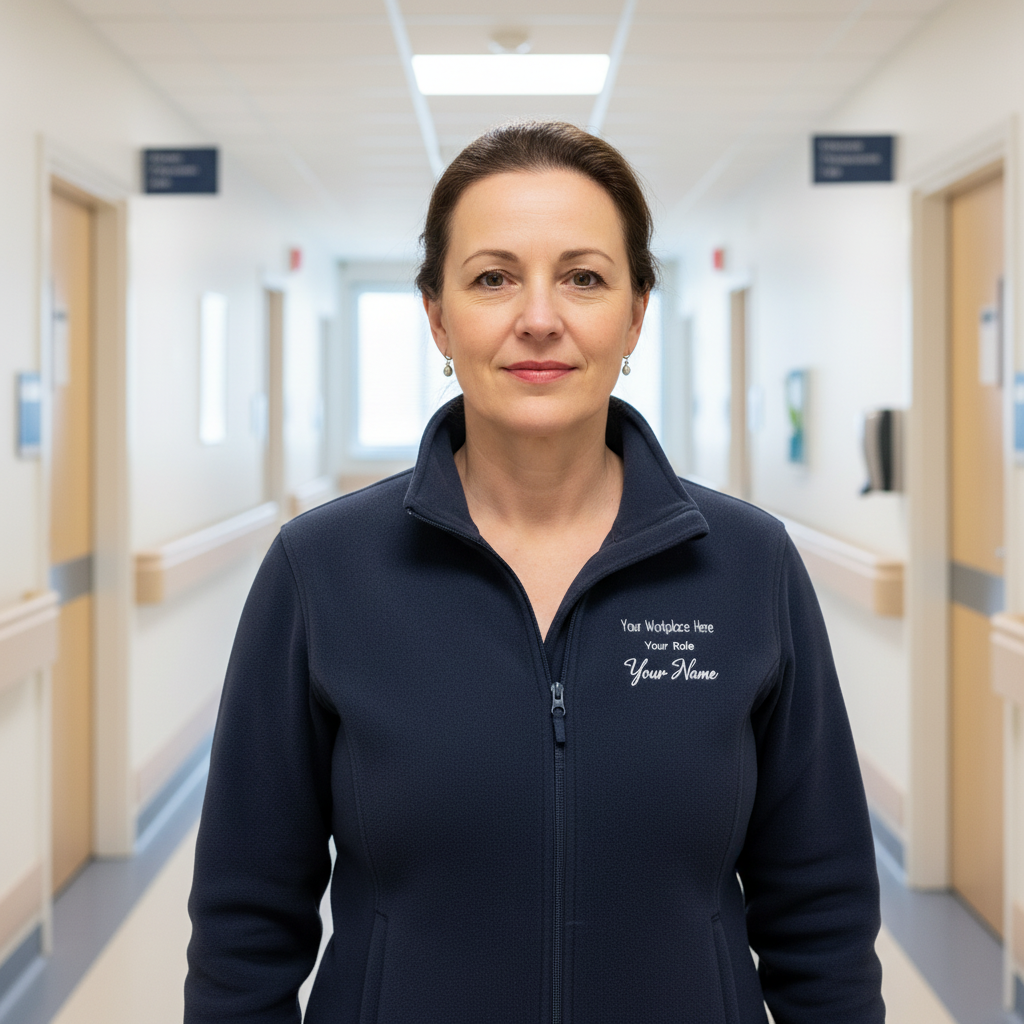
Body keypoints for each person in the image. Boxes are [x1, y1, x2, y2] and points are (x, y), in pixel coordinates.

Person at [185, 120, 884, 1023]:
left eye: (584, 277)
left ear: (636, 314)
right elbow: (244, 924)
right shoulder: (322, 570)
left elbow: (822, 918)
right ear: (438, 316)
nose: (540, 318)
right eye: (494, 278)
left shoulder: (749, 567)